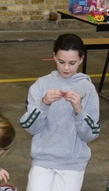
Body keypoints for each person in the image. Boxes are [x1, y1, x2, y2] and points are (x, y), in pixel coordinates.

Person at [19, 33, 100, 191]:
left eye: (72, 63)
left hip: (73, 162)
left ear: (81, 60)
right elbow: (29, 127)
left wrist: (79, 111)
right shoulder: (41, 85)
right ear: (54, 57)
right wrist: (43, 104)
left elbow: (92, 134)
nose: (66, 68)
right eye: (61, 62)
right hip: (43, 159)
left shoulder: (88, 89)